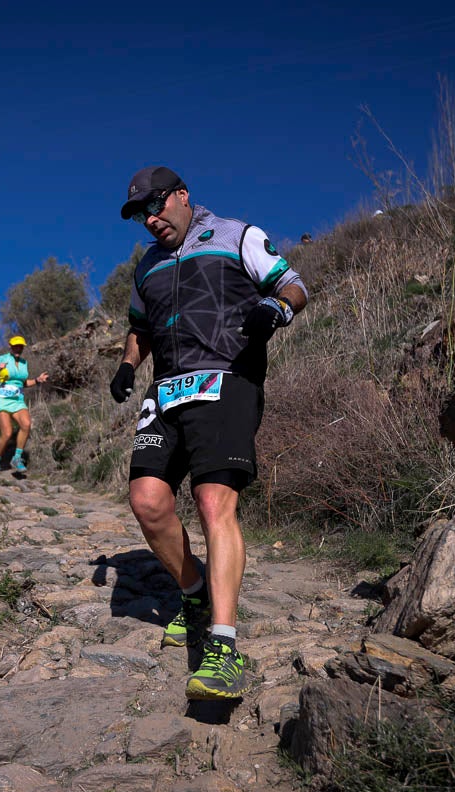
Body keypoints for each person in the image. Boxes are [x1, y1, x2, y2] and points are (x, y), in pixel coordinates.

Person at [109, 166, 308, 700]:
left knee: (213, 502)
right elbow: (140, 327)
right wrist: (129, 365)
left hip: (227, 379)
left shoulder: (236, 235)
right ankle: (193, 591)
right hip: (167, 390)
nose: (150, 221)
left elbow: (294, 285)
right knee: (147, 502)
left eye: (156, 206)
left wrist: (277, 308)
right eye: (140, 215)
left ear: (182, 196)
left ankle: (223, 648)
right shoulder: (146, 266)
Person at [0, 335, 48, 473]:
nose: (18, 349)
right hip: (3, 399)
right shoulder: (2, 359)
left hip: (17, 400)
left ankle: (17, 458)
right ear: (10, 346)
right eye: (15, 346)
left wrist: (38, 380)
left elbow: (24, 382)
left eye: (20, 346)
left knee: (26, 424)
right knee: (7, 433)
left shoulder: (24, 363)